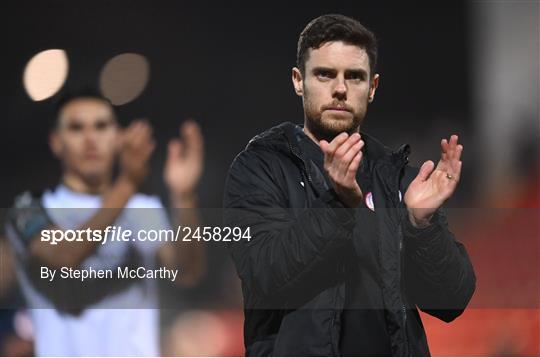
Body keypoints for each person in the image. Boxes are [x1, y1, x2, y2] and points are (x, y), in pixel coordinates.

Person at [224, 14, 476, 356]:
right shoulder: (260, 168)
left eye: (354, 77)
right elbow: (263, 275)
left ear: (372, 88)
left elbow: (450, 302)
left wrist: (421, 225)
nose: (340, 89)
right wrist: (337, 203)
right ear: (299, 81)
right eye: (325, 74)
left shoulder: (396, 176)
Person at [5, 89, 205, 356]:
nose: (90, 140)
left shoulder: (143, 210)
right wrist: (127, 184)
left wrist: (184, 197)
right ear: (56, 141)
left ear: (118, 137)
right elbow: (64, 255)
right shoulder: (29, 209)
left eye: (101, 127)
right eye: (76, 128)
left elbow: (187, 272)